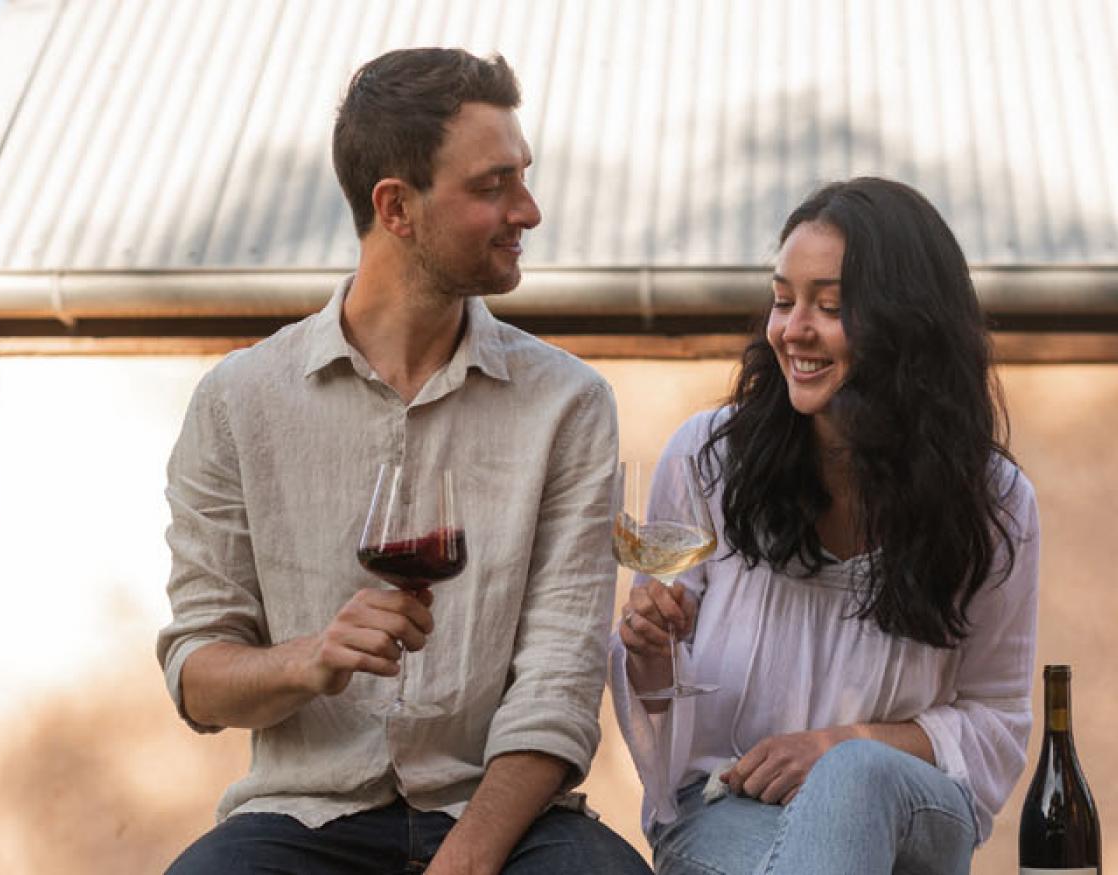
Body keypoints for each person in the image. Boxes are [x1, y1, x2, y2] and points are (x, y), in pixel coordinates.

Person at [158, 47, 650, 875]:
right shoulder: (238, 403)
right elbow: (198, 675)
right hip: (304, 817)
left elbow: (560, 683)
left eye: (522, 178)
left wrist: (469, 855)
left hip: (504, 815)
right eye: (492, 185)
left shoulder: (568, 403)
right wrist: (309, 658)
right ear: (397, 207)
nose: (527, 210)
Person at [609, 177, 1040, 875]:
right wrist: (648, 651)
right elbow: (667, 728)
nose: (791, 329)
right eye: (783, 300)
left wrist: (843, 744)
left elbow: (995, 723)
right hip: (727, 808)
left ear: (907, 325)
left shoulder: (991, 501)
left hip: (911, 815)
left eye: (830, 305)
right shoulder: (709, 459)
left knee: (856, 775)